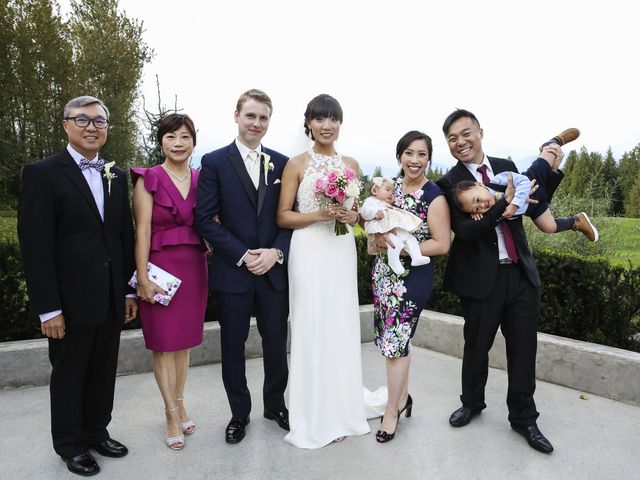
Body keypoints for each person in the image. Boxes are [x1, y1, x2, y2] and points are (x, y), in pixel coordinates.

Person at [17, 96, 137, 476]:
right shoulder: (43, 173)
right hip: (68, 302)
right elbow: (35, 246)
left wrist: (128, 290)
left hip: (109, 296)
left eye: (99, 121)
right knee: (69, 374)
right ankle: (70, 445)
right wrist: (48, 308)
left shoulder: (116, 177)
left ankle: (97, 432)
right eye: (82, 120)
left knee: (103, 369)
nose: (91, 127)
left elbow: (123, 237)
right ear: (66, 124)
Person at [436, 108, 556, 454]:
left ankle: (524, 418)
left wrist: (552, 170)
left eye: (465, 133)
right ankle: (472, 403)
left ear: (480, 132)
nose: (460, 142)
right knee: (476, 346)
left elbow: (533, 204)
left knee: (523, 349)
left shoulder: (506, 165)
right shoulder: (449, 182)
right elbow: (467, 230)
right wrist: (500, 203)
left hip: (519, 273)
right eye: (452, 139)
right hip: (479, 279)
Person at [278, 94, 375, 448]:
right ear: (309, 123)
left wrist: (352, 215)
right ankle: (314, 413)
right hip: (308, 249)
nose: (327, 125)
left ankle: (342, 407)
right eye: (320, 119)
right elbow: (283, 216)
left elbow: (356, 211)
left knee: (340, 323)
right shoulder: (296, 164)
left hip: (340, 248)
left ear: (340, 124)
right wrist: (320, 215)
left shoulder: (351, 163)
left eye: (333, 119)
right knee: (311, 322)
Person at [196, 89, 291, 444]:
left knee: (276, 343)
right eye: (250, 115)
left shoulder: (282, 163)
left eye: (263, 117)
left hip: (273, 273)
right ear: (237, 116)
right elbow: (205, 219)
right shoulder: (214, 161)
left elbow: (289, 220)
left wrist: (275, 254)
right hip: (233, 272)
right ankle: (239, 413)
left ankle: (275, 405)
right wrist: (244, 254)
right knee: (233, 346)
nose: (256, 123)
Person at [131, 113, 208, 450]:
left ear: (194, 141)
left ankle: (181, 401)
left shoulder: (202, 178)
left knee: (184, 344)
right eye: (171, 137)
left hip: (193, 267)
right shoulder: (148, 178)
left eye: (185, 137)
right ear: (160, 141)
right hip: (160, 269)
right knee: (164, 344)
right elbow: (142, 231)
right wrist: (143, 278)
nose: (178, 144)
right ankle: (170, 413)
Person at [370, 131, 451, 443]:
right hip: (383, 275)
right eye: (408, 153)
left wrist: (403, 248)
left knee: (395, 345)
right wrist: (375, 234)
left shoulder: (435, 196)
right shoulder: (387, 188)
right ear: (399, 156)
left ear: (429, 158)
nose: (414, 160)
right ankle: (403, 399)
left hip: (411, 280)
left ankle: (392, 412)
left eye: (421, 154)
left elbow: (441, 244)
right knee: (396, 343)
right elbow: (371, 220)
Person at [451, 136, 598, 242]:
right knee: (549, 227)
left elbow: (523, 181)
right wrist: (476, 216)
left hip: (533, 179)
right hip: (533, 206)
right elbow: (488, 221)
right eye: (476, 209)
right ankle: (577, 221)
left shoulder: (497, 180)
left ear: (480, 185)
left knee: (549, 153)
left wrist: (515, 204)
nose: (481, 205)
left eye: (477, 200)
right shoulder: (489, 211)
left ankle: (554, 141)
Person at [361, 176, 431, 275]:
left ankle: (416, 257)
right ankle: (393, 262)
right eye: (387, 190)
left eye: (392, 192)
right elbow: (364, 212)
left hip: (392, 227)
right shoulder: (371, 201)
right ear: (375, 190)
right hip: (380, 228)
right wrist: (375, 213)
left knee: (410, 239)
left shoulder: (386, 204)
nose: (390, 193)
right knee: (396, 244)